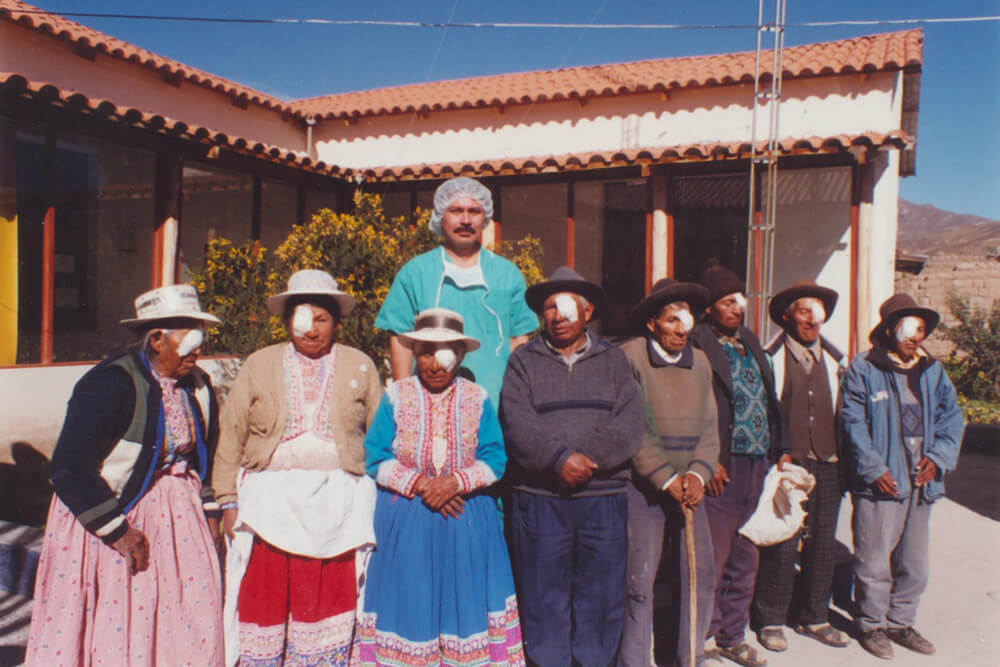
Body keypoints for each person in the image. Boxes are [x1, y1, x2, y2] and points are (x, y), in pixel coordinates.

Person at [25, 284, 225, 666]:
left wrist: (209, 508)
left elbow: (206, 454)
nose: (198, 348)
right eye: (189, 337)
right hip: (112, 511)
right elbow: (69, 468)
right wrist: (118, 531)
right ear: (156, 340)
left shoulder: (197, 386)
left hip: (178, 517)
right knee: (118, 618)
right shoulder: (110, 384)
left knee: (186, 615)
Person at [213, 270, 382, 667]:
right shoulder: (259, 364)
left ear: (337, 324)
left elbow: (379, 438)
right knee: (265, 599)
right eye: (302, 319)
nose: (311, 330)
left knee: (326, 600)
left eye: (321, 319)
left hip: (339, 506)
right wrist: (226, 499)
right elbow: (232, 434)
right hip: (269, 506)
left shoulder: (360, 365)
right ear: (288, 321)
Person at [357, 308, 526, 666]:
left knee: (464, 603)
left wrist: (454, 483)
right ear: (415, 353)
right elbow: (375, 457)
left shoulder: (476, 399)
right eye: (425, 352)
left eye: (445, 352)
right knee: (411, 601)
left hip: (464, 520)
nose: (434, 364)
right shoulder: (396, 396)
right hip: (408, 520)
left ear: (461, 355)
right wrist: (421, 485)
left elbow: (495, 458)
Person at [501, 266, 644, 667]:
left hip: (603, 500)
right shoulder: (523, 361)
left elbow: (630, 423)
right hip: (541, 500)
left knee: (600, 597)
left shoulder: (613, 360)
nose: (557, 315)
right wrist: (558, 459)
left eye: (566, 307)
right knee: (543, 595)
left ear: (587, 311)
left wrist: (588, 461)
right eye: (549, 307)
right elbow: (516, 421)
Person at [842, 294, 964, 660]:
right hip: (882, 479)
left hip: (922, 479)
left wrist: (937, 459)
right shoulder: (864, 369)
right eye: (910, 328)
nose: (917, 336)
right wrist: (874, 469)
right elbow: (852, 424)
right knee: (873, 559)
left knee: (914, 562)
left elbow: (952, 418)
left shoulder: (932, 371)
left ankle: (900, 621)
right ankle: (871, 624)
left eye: (922, 330)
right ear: (890, 329)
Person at [689, 260, 786, 667]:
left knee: (748, 552)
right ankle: (706, 637)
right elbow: (694, 405)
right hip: (722, 466)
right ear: (709, 307)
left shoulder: (749, 340)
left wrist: (779, 450)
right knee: (716, 555)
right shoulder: (697, 344)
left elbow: (768, 396)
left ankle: (733, 635)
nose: (737, 308)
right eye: (727, 301)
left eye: (739, 301)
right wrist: (710, 459)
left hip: (758, 463)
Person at [619, 278, 719, 667]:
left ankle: (688, 657)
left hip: (691, 488)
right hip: (645, 489)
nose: (682, 329)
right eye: (672, 320)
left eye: (687, 320)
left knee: (700, 575)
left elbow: (710, 428)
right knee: (638, 581)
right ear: (652, 324)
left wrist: (697, 475)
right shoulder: (630, 358)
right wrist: (665, 477)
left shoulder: (701, 362)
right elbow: (634, 430)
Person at [374, 176, 538, 406]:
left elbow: (519, 337)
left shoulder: (507, 274)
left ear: (485, 219)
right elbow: (401, 339)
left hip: (495, 400)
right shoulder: (416, 272)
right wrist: (405, 400)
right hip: (428, 401)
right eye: (456, 210)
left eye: (474, 211)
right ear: (441, 217)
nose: (465, 220)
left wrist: (516, 395)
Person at [751, 280, 851, 652]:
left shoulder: (836, 358)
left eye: (817, 313)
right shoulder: (771, 355)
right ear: (787, 316)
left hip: (828, 459)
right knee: (783, 536)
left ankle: (815, 617)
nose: (812, 320)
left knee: (823, 541)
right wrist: (778, 452)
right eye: (804, 311)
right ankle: (771, 618)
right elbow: (765, 411)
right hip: (788, 459)